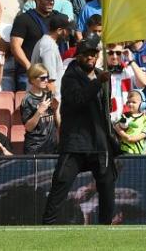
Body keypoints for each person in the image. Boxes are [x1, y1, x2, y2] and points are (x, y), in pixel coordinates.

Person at [42, 36, 117, 225]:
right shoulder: (70, 76)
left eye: (95, 53)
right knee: (61, 183)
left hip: (99, 141)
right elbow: (78, 100)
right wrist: (98, 82)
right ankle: (48, 224)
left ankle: (105, 227)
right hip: (76, 141)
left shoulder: (102, 75)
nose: (91, 57)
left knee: (107, 186)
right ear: (78, 56)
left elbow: (105, 108)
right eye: (87, 54)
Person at [20, 63, 60, 154]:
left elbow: (58, 124)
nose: (46, 80)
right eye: (42, 78)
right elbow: (28, 127)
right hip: (35, 148)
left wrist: (56, 110)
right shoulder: (28, 100)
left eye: (47, 77)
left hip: (52, 146)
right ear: (32, 80)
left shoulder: (49, 96)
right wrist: (39, 112)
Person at [30, 12, 71, 94]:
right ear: (59, 30)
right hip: (45, 100)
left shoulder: (47, 42)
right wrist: (55, 100)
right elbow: (49, 81)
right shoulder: (49, 46)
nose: (69, 33)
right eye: (68, 30)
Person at [113, 89, 146, 155]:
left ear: (142, 104)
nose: (130, 104)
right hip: (124, 149)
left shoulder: (144, 118)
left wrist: (132, 138)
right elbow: (116, 126)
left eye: (133, 102)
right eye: (128, 102)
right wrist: (125, 136)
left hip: (138, 152)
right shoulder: (125, 115)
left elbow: (145, 133)